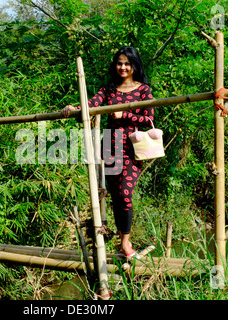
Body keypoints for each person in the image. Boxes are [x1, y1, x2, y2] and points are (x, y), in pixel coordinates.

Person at [62, 47, 155, 259]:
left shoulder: (143, 90)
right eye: (119, 63)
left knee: (125, 194)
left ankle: (125, 241)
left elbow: (149, 120)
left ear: (134, 65)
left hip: (131, 148)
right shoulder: (109, 89)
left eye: (127, 63)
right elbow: (91, 104)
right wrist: (74, 108)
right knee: (115, 195)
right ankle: (122, 243)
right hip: (109, 147)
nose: (122, 67)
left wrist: (126, 114)